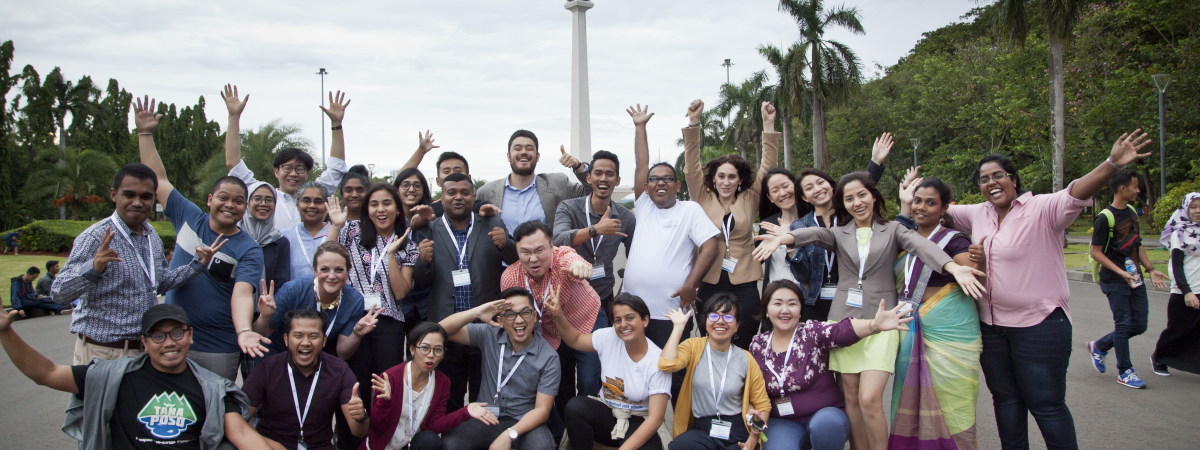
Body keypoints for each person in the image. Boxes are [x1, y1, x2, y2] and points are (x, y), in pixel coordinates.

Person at [753, 172, 985, 450]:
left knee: (869, 398)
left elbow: (923, 247)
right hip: (844, 320)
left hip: (883, 320)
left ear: (874, 197)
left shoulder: (895, 230)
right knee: (850, 397)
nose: (857, 202)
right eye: (849, 199)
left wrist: (952, 267)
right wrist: (786, 238)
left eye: (862, 195)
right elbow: (814, 234)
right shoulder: (840, 233)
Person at [952, 130, 1153, 449]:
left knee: (1046, 406)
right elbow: (934, 210)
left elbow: (1075, 192)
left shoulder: (1042, 209)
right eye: (983, 178)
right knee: (1006, 402)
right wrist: (908, 198)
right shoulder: (977, 213)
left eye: (998, 175)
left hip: (1040, 326)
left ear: (1013, 180)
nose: (991, 182)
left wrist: (1111, 164)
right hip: (991, 328)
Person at [0, 303, 276, 449]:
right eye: (158, 335)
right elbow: (45, 373)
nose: (169, 342)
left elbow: (243, 435)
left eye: (177, 333)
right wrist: (5, 332)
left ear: (190, 337)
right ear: (144, 343)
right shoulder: (112, 378)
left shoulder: (213, 388)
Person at [135, 95, 268, 381]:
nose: (229, 205)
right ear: (210, 199)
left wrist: (244, 330)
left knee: (212, 416)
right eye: (223, 198)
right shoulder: (188, 216)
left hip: (218, 348)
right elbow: (158, 180)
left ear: (245, 208)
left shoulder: (249, 249)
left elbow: (243, 293)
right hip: (170, 341)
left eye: (238, 201)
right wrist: (145, 133)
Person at [51, 163, 216, 363]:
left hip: (142, 352)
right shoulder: (96, 237)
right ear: (114, 195)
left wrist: (197, 265)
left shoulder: (151, 236)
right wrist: (93, 268)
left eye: (145, 196)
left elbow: (159, 282)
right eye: (129, 195)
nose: (137, 203)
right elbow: (59, 293)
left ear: (154, 197)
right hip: (102, 353)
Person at [749, 280, 913, 450]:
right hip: (783, 422)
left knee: (827, 425)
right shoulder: (758, 345)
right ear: (767, 310)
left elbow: (842, 330)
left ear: (800, 310)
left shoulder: (811, 332)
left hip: (824, 417)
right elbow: (751, 388)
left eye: (792, 303)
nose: (785, 310)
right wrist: (753, 414)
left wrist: (874, 325)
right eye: (777, 303)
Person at [887, 172, 984, 449]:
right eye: (918, 201)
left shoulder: (955, 241)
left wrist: (982, 263)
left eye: (931, 203)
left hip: (949, 333)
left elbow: (975, 279)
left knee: (951, 400)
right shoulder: (902, 238)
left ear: (944, 208)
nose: (921, 207)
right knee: (912, 397)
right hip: (910, 328)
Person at [412, 172, 517, 411]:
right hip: (447, 329)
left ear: (473, 196)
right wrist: (423, 263)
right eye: (451, 193)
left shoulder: (493, 223)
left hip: (485, 330)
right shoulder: (428, 229)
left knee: (486, 397)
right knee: (449, 398)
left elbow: (515, 261)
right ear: (442, 197)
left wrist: (507, 244)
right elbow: (419, 283)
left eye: (464, 193)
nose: (458, 197)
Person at [330, 182, 423, 450]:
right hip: (352, 319)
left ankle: (381, 442)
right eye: (374, 204)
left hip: (389, 323)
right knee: (352, 386)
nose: (380, 209)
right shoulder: (350, 231)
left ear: (397, 209)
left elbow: (401, 292)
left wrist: (392, 255)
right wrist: (335, 226)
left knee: (384, 389)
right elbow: (325, 259)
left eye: (386, 203)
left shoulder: (407, 242)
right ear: (367, 209)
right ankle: (349, 442)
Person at [621, 104, 720, 347]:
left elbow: (711, 247)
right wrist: (640, 128)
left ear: (677, 186)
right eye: (654, 179)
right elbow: (641, 166)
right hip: (632, 311)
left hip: (670, 313)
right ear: (646, 187)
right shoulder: (644, 206)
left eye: (667, 178)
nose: (660, 182)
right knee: (634, 369)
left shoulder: (690, 210)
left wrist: (690, 285)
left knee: (672, 373)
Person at [682, 100, 777, 349]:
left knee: (744, 341)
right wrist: (694, 123)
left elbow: (768, 165)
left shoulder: (750, 198)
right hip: (709, 282)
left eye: (732, 176)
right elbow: (691, 166)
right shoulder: (702, 197)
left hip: (745, 283)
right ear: (713, 178)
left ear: (740, 179)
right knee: (711, 342)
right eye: (721, 176)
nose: (726, 181)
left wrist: (769, 125)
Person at [500, 220, 604, 434]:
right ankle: (567, 435)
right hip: (551, 334)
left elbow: (574, 259)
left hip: (586, 321)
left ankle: (590, 432)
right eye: (525, 252)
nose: (533, 258)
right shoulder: (511, 276)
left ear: (551, 246)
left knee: (588, 381)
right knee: (559, 385)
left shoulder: (563, 258)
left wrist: (581, 267)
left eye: (540, 250)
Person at [786, 136, 892, 322]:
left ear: (831, 184)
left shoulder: (848, 216)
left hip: (852, 296)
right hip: (815, 302)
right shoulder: (799, 226)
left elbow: (861, 189)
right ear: (804, 197)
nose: (817, 189)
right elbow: (802, 275)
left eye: (821, 183)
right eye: (809, 188)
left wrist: (875, 162)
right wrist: (790, 248)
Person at [438, 288, 560, 450]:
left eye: (525, 312)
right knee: (449, 444)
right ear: (500, 321)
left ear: (535, 316)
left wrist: (509, 434)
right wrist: (476, 312)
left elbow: (542, 410)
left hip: (524, 421)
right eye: (510, 314)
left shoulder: (548, 357)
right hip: (486, 416)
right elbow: (441, 330)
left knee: (542, 447)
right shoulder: (489, 334)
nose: (518, 320)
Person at [549, 292, 672, 450]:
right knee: (576, 407)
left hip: (639, 419)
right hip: (608, 412)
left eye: (630, 318)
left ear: (645, 320)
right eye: (617, 320)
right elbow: (575, 340)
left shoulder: (656, 361)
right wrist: (558, 314)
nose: (623, 325)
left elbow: (655, 419)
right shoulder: (608, 337)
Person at [222, 84, 349, 232]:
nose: (293, 174)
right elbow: (233, 163)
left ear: (307, 173)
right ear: (276, 172)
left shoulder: (315, 194)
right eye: (287, 168)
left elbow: (336, 167)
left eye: (300, 169)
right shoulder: (263, 195)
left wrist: (336, 124)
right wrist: (233, 116)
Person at [1084, 169, 1167, 388]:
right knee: (1123, 324)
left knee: (1139, 325)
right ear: (1123, 188)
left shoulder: (1131, 211)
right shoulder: (1104, 218)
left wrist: (1149, 268)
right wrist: (1121, 272)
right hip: (1114, 279)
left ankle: (1100, 346)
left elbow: (1135, 243)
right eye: (1135, 186)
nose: (1137, 189)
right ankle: (1125, 371)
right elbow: (1095, 252)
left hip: (1135, 277)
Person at [657, 294, 772, 450]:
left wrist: (752, 441)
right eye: (714, 316)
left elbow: (763, 405)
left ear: (737, 325)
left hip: (736, 429)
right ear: (706, 322)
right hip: (702, 427)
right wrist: (678, 327)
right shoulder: (694, 347)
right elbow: (666, 364)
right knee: (680, 446)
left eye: (728, 317)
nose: (720, 321)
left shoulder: (746, 359)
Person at [359, 322, 495, 450]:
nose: (431, 355)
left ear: (443, 354)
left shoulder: (442, 382)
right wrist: (385, 402)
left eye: (438, 350)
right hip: (383, 446)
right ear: (412, 349)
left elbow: (433, 425)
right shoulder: (390, 377)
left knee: (430, 440)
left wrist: (466, 412)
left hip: (413, 445)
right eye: (424, 348)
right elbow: (377, 428)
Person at [242, 309, 367, 449]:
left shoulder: (340, 371)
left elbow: (359, 431)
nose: (306, 342)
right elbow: (238, 421)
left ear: (324, 340)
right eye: (298, 335)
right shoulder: (268, 368)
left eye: (313, 336)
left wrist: (360, 416)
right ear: (286, 339)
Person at [252, 241, 380, 360]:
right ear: (314, 270)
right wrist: (265, 317)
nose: (332, 276)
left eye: (339, 270)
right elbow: (261, 335)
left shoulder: (355, 301)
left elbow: (342, 353)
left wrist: (356, 334)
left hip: (317, 361)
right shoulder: (293, 290)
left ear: (348, 271)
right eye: (324, 269)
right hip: (278, 357)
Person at [552, 148, 636, 322]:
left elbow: (635, 260)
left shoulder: (626, 217)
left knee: (597, 348)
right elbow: (559, 240)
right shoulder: (568, 207)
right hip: (567, 295)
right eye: (598, 173)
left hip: (603, 296)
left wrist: (620, 294)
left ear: (617, 180)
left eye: (610, 174)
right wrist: (595, 230)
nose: (603, 178)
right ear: (589, 178)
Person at [477, 129, 592, 234]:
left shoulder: (558, 184)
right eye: (517, 148)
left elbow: (592, 193)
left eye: (529, 148)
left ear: (537, 157)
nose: (523, 152)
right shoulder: (485, 192)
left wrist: (579, 166)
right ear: (508, 156)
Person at [1152, 192, 1200, 376]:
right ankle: (1158, 357)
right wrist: (1187, 291)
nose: (1197, 211)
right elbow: (1176, 265)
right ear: (1186, 208)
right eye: (1193, 207)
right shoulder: (1179, 232)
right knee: (1178, 330)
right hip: (1185, 290)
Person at [241, 181, 292, 288]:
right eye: (257, 199)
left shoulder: (280, 243)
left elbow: (281, 283)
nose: (263, 203)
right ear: (247, 202)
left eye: (269, 200)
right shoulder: (235, 235)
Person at [285, 181, 333, 281]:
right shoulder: (285, 237)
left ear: (326, 206)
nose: (312, 205)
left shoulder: (339, 233)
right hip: (295, 296)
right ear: (297, 204)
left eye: (318, 201)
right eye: (306, 200)